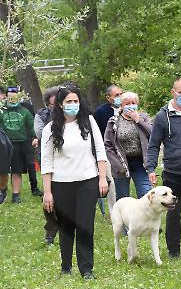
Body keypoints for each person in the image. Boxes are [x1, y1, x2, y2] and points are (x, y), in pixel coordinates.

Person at [40, 84, 108, 278]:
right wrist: (47, 192)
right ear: (60, 105)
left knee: (86, 224)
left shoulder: (89, 122)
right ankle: (66, 267)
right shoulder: (50, 129)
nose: (73, 104)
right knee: (66, 226)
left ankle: (86, 269)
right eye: (69, 101)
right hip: (61, 183)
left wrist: (102, 178)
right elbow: (46, 162)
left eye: (76, 101)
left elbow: (100, 151)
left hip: (88, 180)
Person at [146, 78, 181, 258]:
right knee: (173, 214)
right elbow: (153, 145)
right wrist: (151, 168)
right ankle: (174, 250)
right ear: (173, 92)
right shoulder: (162, 116)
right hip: (173, 173)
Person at [104, 91, 152, 201]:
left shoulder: (143, 117)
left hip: (140, 163)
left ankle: (143, 218)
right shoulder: (113, 121)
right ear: (121, 105)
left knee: (145, 194)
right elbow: (108, 145)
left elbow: (153, 134)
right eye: (127, 104)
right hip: (121, 163)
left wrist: (139, 121)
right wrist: (117, 164)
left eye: (133, 103)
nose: (130, 106)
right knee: (123, 199)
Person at [0, 88, 38, 203]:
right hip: (4, 144)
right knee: (2, 170)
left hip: (19, 144)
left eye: (15, 96)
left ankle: (16, 195)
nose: (13, 99)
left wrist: (35, 137)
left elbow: (31, 126)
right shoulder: (1, 111)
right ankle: (2, 190)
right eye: (10, 96)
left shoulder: (24, 111)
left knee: (16, 170)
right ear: (6, 97)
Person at [35, 86, 60, 244]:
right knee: (49, 198)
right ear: (47, 106)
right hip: (49, 161)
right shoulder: (41, 116)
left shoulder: (76, 117)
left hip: (69, 161)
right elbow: (40, 133)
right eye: (54, 105)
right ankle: (51, 229)